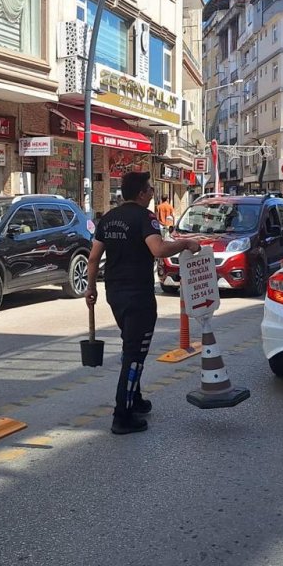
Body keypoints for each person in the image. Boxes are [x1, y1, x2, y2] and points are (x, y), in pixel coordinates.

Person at [85, 172, 200, 435]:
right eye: (149, 189)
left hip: (115, 293)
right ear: (140, 194)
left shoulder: (109, 218)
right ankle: (122, 416)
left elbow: (93, 258)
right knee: (135, 355)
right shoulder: (145, 218)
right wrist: (185, 243)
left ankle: (134, 399)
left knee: (131, 345)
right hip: (138, 295)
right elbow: (158, 249)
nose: (151, 193)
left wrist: (90, 288)